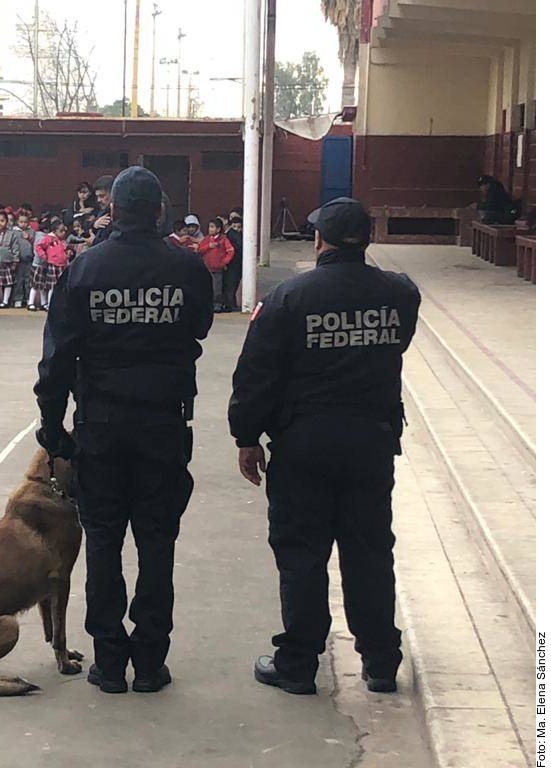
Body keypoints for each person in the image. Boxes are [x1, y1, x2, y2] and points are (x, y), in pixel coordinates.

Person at [228, 197, 421, 697]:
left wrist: (247, 437)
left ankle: (297, 663)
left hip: (304, 445)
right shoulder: (399, 294)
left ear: (318, 240)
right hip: (371, 444)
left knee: (301, 555)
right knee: (370, 551)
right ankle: (380, 661)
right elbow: (397, 343)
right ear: (369, 239)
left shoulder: (290, 299)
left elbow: (256, 375)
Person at [33, 166, 213, 694]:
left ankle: (110, 661)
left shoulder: (86, 269)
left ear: (111, 210)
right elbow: (199, 326)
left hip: (102, 426)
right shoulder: (185, 268)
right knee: (158, 544)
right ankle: (151, 662)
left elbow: (58, 356)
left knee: (104, 544)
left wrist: (51, 425)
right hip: (162, 423)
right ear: (160, 209)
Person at [198, 217, 235, 312]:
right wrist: (208, 247)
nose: (210, 229)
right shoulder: (206, 239)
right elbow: (199, 250)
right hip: (206, 268)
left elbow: (230, 251)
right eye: (209, 227)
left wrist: (223, 262)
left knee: (216, 289)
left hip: (217, 269)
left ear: (218, 229)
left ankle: (217, 305)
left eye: (212, 227)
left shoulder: (223, 240)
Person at [32, 218, 69, 311]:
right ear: (55, 231)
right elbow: (38, 246)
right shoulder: (49, 238)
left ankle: (58, 304)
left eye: (64, 231)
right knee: (52, 286)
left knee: (60, 286)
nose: (63, 233)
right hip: (53, 265)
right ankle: (49, 304)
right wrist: (44, 256)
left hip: (62, 264)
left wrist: (67, 254)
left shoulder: (63, 241)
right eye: (61, 231)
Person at [12, 212, 36, 309]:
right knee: (18, 281)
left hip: (29, 260)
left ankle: (28, 299)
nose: (23, 224)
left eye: (25, 222)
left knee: (28, 280)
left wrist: (29, 238)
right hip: (18, 261)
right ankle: (18, 299)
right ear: (17, 222)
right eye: (21, 222)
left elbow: (35, 243)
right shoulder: (14, 232)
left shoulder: (32, 232)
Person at [222, 210, 243, 313]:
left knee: (233, 284)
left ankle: (231, 303)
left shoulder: (232, 235)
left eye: (239, 227)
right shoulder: (231, 235)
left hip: (236, 264)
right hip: (232, 264)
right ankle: (229, 304)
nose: (237, 230)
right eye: (235, 227)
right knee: (231, 284)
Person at [90, 175, 116, 244]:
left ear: (112, 194)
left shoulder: (120, 216)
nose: (98, 200)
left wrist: (94, 241)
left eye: (102, 196)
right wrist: (94, 226)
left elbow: (114, 244)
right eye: (97, 196)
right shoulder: (101, 212)